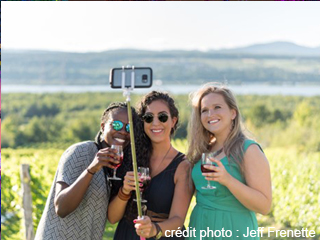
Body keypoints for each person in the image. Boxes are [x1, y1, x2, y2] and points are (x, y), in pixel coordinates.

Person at [35, 102, 144, 240]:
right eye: (116, 125)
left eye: (129, 128)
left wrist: (125, 190)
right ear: (103, 126)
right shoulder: (81, 151)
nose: (123, 131)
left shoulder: (119, 166)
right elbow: (61, 208)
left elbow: (112, 218)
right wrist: (92, 169)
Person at [186, 84, 272, 240]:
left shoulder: (248, 150)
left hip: (234, 230)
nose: (210, 114)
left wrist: (228, 180)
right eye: (204, 110)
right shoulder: (202, 152)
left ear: (233, 113)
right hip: (200, 228)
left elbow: (264, 206)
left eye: (217, 107)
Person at [108, 91, 194, 240]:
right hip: (128, 234)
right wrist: (125, 190)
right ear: (142, 122)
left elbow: (178, 220)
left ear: (173, 121)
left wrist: (153, 230)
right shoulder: (131, 158)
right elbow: (112, 218)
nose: (155, 123)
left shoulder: (183, 165)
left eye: (162, 117)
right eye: (148, 118)